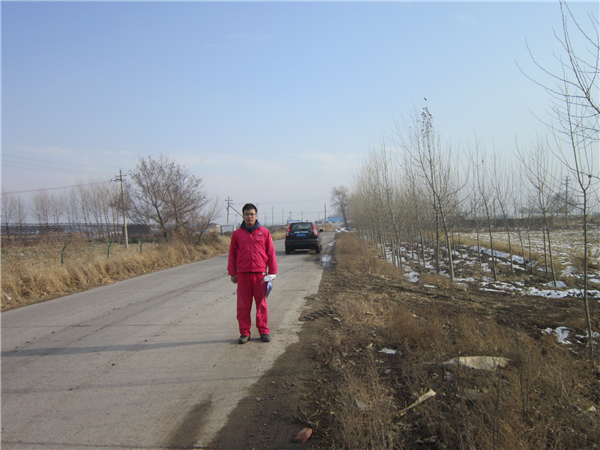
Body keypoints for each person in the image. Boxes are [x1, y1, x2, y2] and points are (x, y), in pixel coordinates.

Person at [227, 203, 278, 344]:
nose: (249, 217)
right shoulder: (237, 234)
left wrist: (272, 272)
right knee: (243, 306)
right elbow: (232, 254)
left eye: (252, 214)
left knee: (261, 305)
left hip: (260, 275)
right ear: (243, 216)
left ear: (256, 216)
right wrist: (232, 272)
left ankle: (264, 331)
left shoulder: (264, 232)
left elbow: (271, 253)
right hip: (243, 275)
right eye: (247, 214)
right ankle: (244, 332)